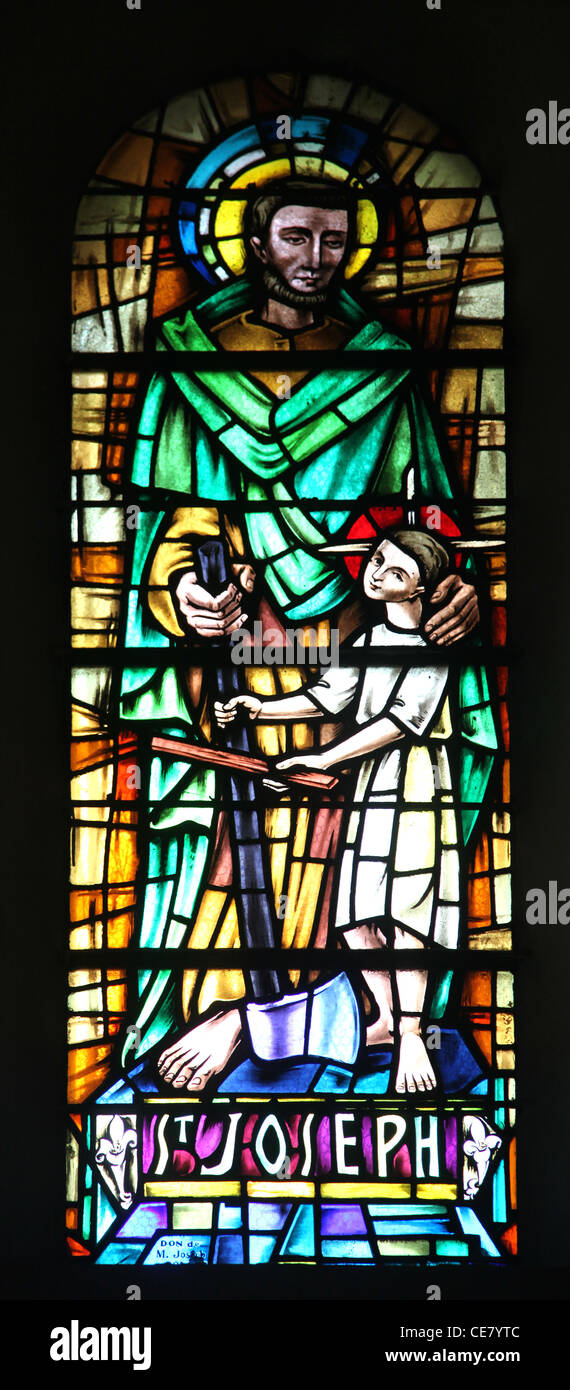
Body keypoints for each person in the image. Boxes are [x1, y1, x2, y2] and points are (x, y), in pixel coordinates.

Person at [120, 178, 496, 1091]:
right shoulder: (191, 358)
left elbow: (430, 529)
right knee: (228, 848)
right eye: (297, 237)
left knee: (362, 862)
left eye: (335, 241)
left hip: (358, 649)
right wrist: (183, 590)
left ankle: (309, 1028)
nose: (317, 259)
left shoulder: (384, 366)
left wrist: (458, 603)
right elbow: (169, 525)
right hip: (247, 648)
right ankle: (230, 1012)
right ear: (256, 243)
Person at [215, 527, 458, 1094]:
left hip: (416, 787)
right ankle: (387, 1021)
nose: (376, 574)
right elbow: (327, 697)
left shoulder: (435, 654)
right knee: (356, 915)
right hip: (370, 784)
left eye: (395, 572)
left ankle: (414, 1032)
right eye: (377, 561)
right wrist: (261, 708)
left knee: (406, 909)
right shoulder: (367, 639)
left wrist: (321, 756)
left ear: (419, 590)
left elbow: (397, 724)